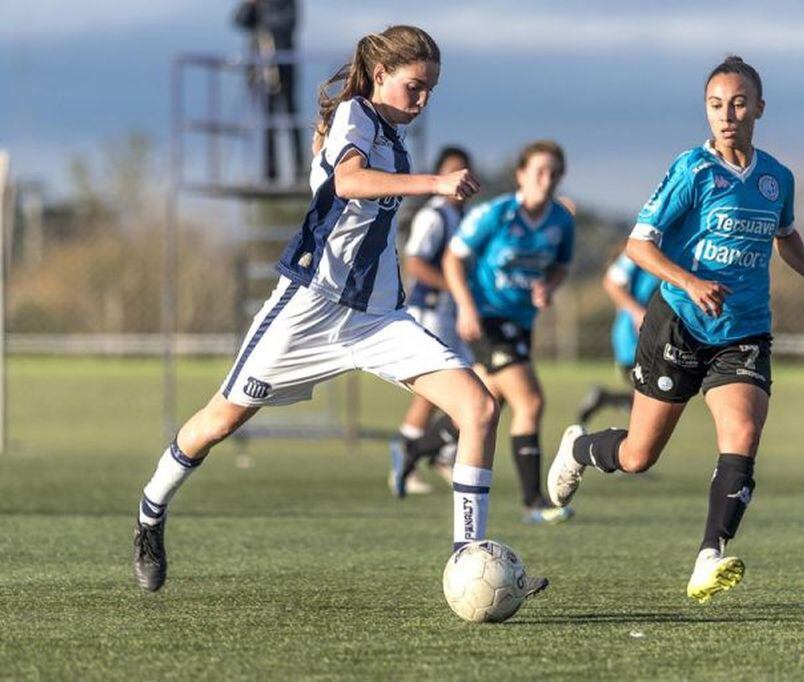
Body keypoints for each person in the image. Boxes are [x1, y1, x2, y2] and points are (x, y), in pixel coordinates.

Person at [132, 26, 547, 603]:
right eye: (414, 86)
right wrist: (434, 183)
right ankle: (151, 513)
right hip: (309, 308)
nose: (423, 100)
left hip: (376, 319)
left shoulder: (391, 137)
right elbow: (349, 181)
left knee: (479, 407)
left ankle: (467, 561)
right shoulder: (355, 114)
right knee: (219, 422)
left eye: (431, 89)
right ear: (381, 76)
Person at [547, 56, 804, 603]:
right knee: (638, 456)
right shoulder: (692, 170)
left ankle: (710, 554)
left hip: (744, 332)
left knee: (743, 434)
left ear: (758, 107)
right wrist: (690, 281)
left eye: (737, 103)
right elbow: (640, 246)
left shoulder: (777, 178)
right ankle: (580, 448)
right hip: (679, 325)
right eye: (715, 105)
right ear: (706, 111)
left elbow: (785, 234)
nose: (726, 114)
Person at [440, 140, 577, 526]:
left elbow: (561, 267)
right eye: (538, 172)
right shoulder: (496, 214)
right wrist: (466, 306)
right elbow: (453, 259)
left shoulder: (561, 222)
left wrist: (548, 286)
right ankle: (533, 502)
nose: (546, 180)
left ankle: (420, 444)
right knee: (530, 402)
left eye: (553, 173)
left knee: (483, 401)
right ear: (521, 175)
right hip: (485, 319)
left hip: (521, 323)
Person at [387, 146, 475, 497]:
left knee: (457, 387)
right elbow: (416, 264)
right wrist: (453, 285)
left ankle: (437, 452)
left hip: (450, 313)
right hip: (430, 309)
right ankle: (406, 455)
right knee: (437, 387)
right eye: (453, 171)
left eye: (465, 171)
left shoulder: (460, 217)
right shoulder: (434, 215)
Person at [575, 247, 661, 425]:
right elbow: (611, 283)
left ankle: (606, 399)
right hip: (633, 340)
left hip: (659, 338)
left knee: (652, 405)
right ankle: (583, 449)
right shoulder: (644, 246)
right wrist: (637, 313)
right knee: (650, 407)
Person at [233, 0, 305, 183]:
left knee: (290, 118)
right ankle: (271, 171)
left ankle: (298, 169)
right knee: (267, 121)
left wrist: (265, 15)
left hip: (284, 65)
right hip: (262, 70)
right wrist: (251, 5)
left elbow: (287, 24)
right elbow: (239, 20)